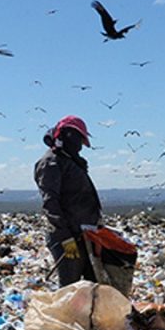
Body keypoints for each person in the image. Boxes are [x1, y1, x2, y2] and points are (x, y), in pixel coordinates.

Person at [34, 115, 102, 287]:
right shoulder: (51, 162)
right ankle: (67, 315)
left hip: (84, 234)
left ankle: (85, 315)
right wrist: (65, 237)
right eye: (77, 138)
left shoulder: (69, 160)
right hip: (68, 237)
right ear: (66, 135)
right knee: (70, 287)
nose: (79, 145)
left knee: (91, 285)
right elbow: (51, 203)